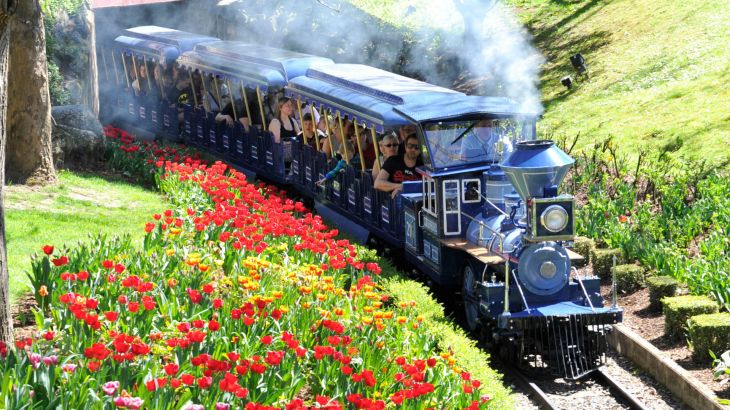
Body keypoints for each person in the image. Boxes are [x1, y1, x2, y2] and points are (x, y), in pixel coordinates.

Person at [374, 133, 423, 198]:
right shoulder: (392, 161)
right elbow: (377, 184)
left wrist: (407, 189)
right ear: (405, 146)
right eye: (410, 146)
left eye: (416, 147)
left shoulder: (423, 165)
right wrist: (400, 186)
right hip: (394, 202)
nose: (413, 149)